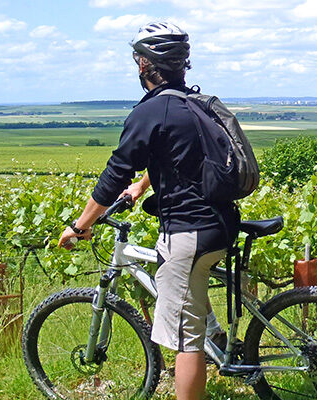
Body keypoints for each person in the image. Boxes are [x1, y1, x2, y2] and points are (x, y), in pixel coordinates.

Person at [57, 22, 238, 400]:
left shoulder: (151, 111)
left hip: (189, 232)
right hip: (220, 223)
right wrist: (141, 187)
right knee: (190, 295)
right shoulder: (193, 104)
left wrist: (80, 225)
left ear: (143, 65)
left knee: (186, 340)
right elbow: (180, 160)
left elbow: (113, 174)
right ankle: (220, 336)